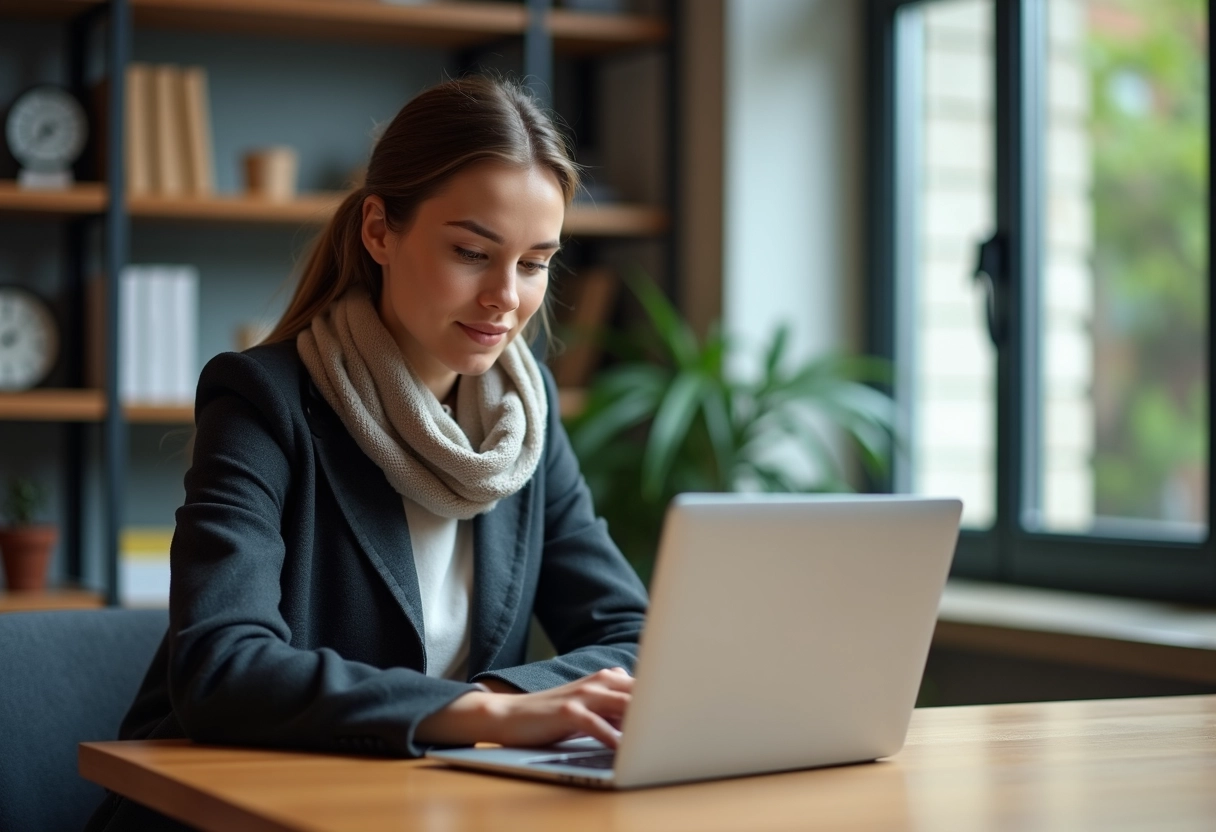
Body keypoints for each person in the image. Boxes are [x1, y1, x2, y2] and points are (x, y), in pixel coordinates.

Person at [86, 75, 648, 831]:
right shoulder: (264, 400)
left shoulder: (526, 415)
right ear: (379, 231)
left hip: (432, 804)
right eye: (472, 252)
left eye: (534, 262)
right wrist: (480, 714)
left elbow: (635, 639)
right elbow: (221, 668)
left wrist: (505, 705)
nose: (505, 298)